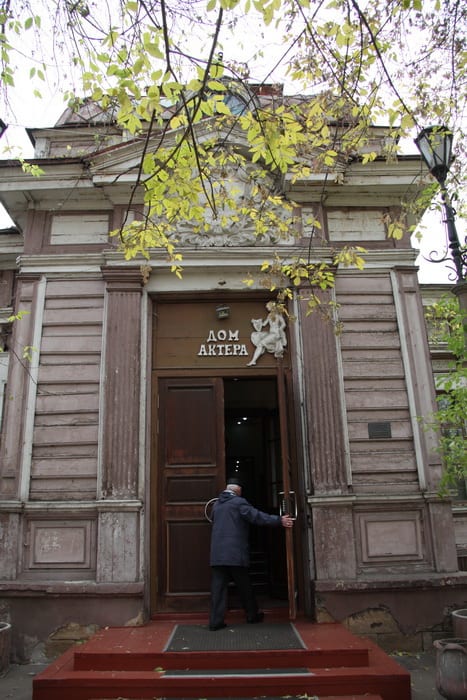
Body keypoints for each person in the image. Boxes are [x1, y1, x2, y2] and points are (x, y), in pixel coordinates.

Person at [209, 476, 294, 631]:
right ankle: (252, 615)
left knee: (218, 589)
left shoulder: (216, 505)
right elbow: (257, 517)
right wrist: (278, 520)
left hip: (218, 554)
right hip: (235, 553)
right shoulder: (239, 502)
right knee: (244, 586)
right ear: (238, 490)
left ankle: (215, 621)